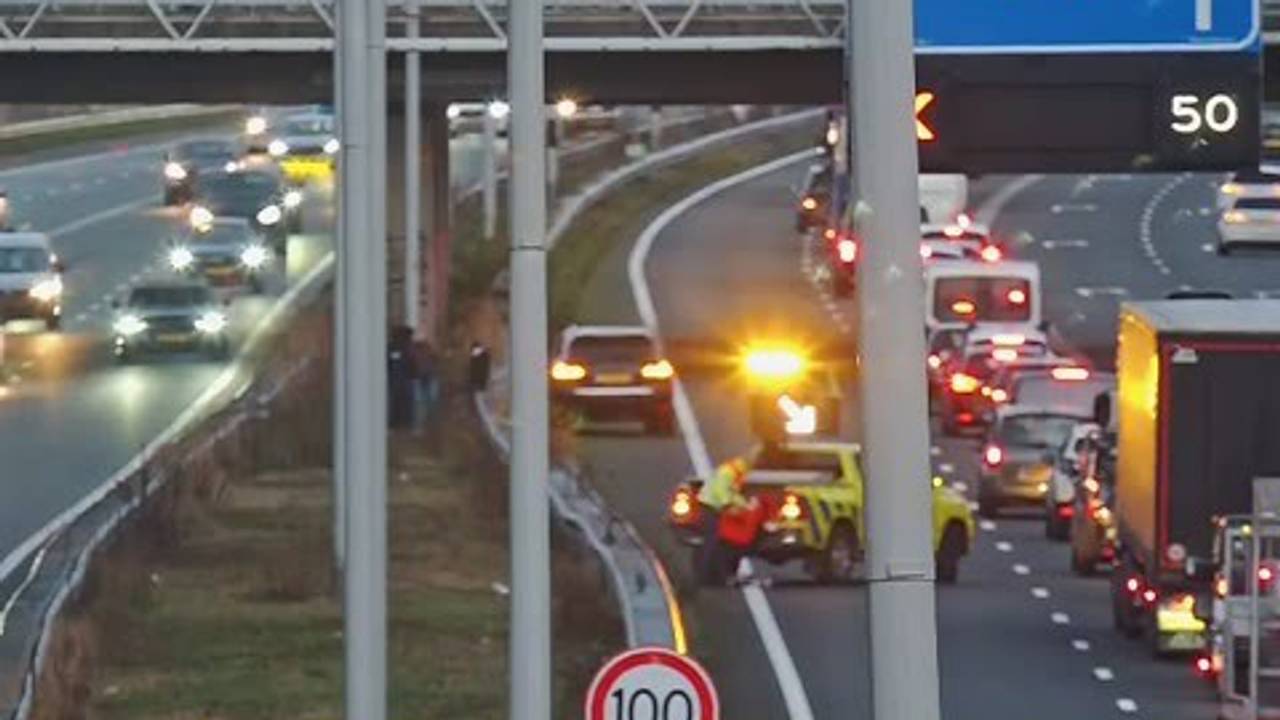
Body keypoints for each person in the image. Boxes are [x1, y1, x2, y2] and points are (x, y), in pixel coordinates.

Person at [696, 456, 750, 585]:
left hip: (714, 507)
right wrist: (730, 505)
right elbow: (723, 492)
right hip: (710, 507)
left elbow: (732, 493)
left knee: (718, 542)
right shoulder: (727, 473)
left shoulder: (729, 472)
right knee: (712, 542)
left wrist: (744, 504)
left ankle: (716, 575)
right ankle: (706, 576)